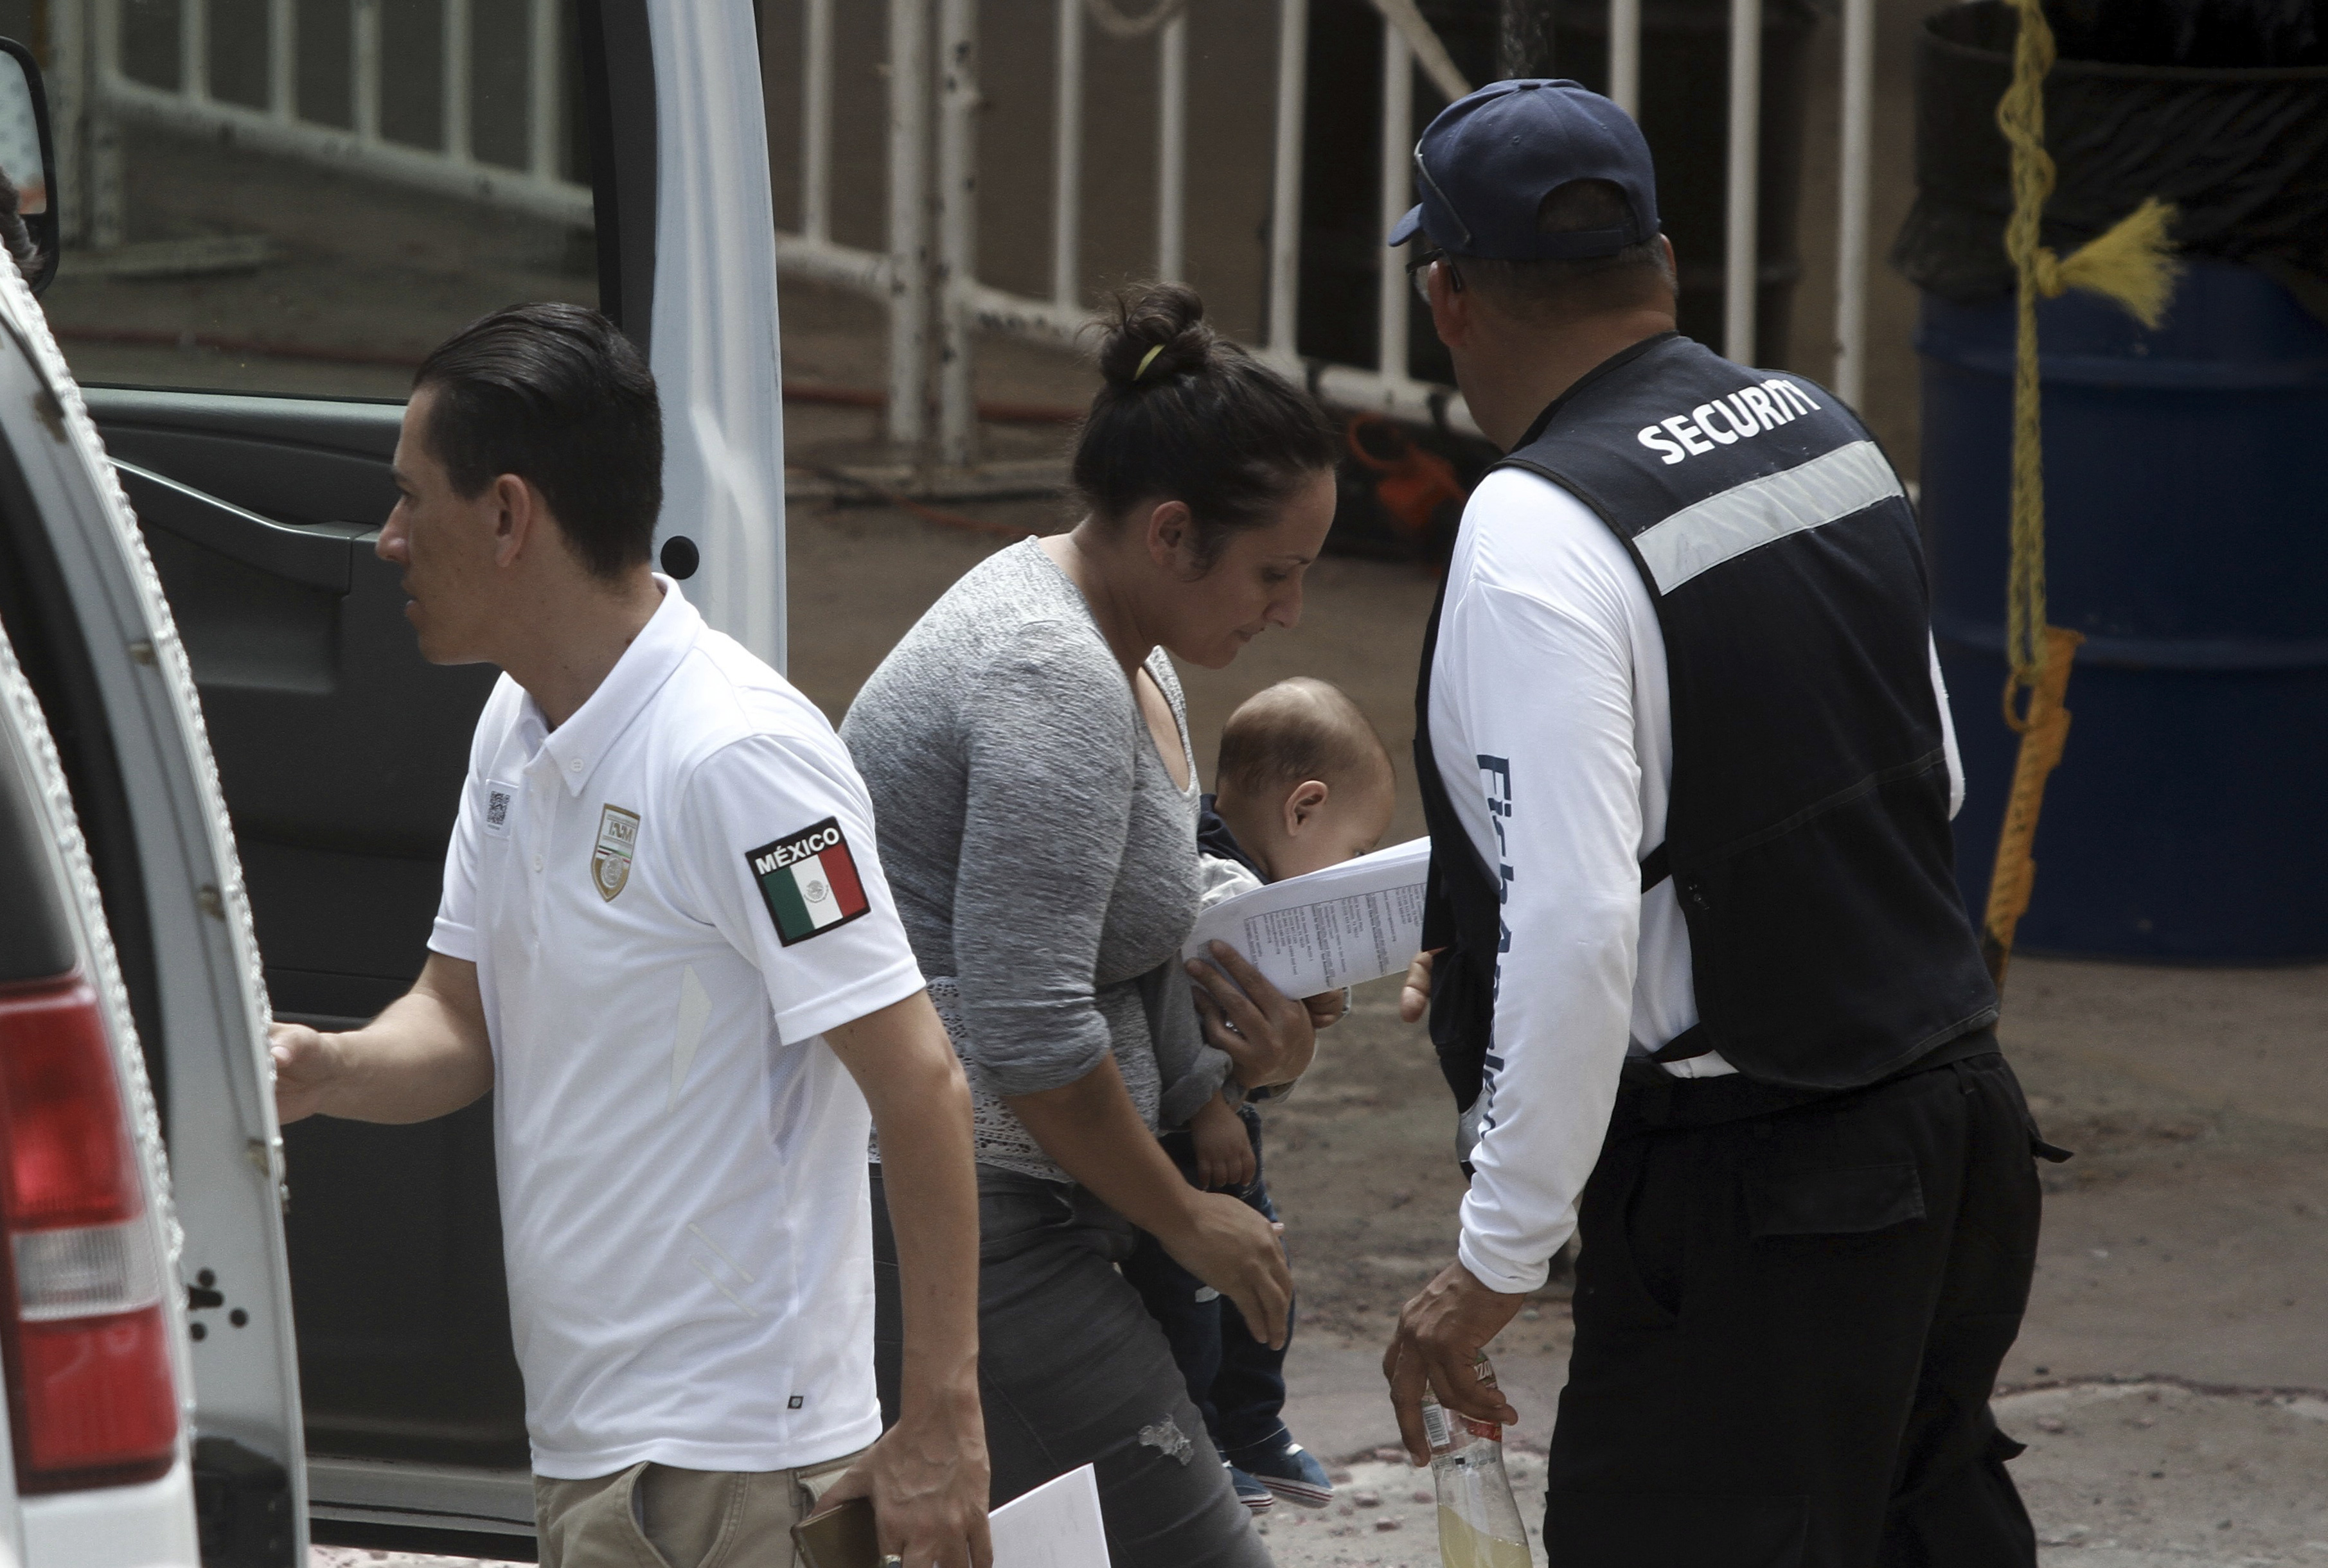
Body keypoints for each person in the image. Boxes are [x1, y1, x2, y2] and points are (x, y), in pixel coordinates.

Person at [1376, 82, 2066, 1567]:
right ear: (1668, 264)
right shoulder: (1823, 430)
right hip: (1955, 1137)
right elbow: (1924, 773)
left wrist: (1493, 1260)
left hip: (1764, 1194)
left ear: (1448, 296)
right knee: (1923, 1528)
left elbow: (1573, 925)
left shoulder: (1534, 530)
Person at [267, 304, 991, 1568]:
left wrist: (940, 1420)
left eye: (407, 501)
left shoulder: (743, 761)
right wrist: (323, 1072)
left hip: (737, 1474)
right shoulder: (517, 726)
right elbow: (460, 1017)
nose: (384, 541)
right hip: (596, 1453)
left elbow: (920, 1081)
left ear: (507, 515)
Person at [841, 283, 1338, 1568]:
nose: (1288, 613)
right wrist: (1185, 1213)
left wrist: (1269, 986)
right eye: (1274, 574)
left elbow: (1128, 911)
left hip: (1043, 1195)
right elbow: (1026, 1022)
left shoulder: (1138, 646)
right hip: (970, 1210)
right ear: (1172, 534)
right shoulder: (1051, 674)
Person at [1124, 678, 1395, 1515]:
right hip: (1176, 1144)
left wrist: (1322, 999)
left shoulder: (1266, 892)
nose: (1349, 873)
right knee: (1190, 1294)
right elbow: (1159, 998)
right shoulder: (1210, 885)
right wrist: (1206, 1104)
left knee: (1262, 1277)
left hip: (1232, 1137)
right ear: (1303, 808)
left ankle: (1255, 1424)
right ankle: (1200, 1433)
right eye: (1353, 852)